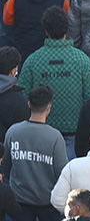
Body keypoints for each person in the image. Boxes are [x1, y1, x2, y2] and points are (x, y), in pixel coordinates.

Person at [18, 8, 90, 137]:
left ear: (46, 31)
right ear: (67, 29)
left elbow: (22, 97)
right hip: (74, 132)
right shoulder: (82, 60)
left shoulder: (33, 61)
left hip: (41, 131)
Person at [4, 83, 65, 221]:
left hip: (20, 201)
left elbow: (6, 167)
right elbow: (61, 173)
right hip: (47, 203)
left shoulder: (13, 132)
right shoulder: (55, 137)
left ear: (29, 104)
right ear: (49, 107)